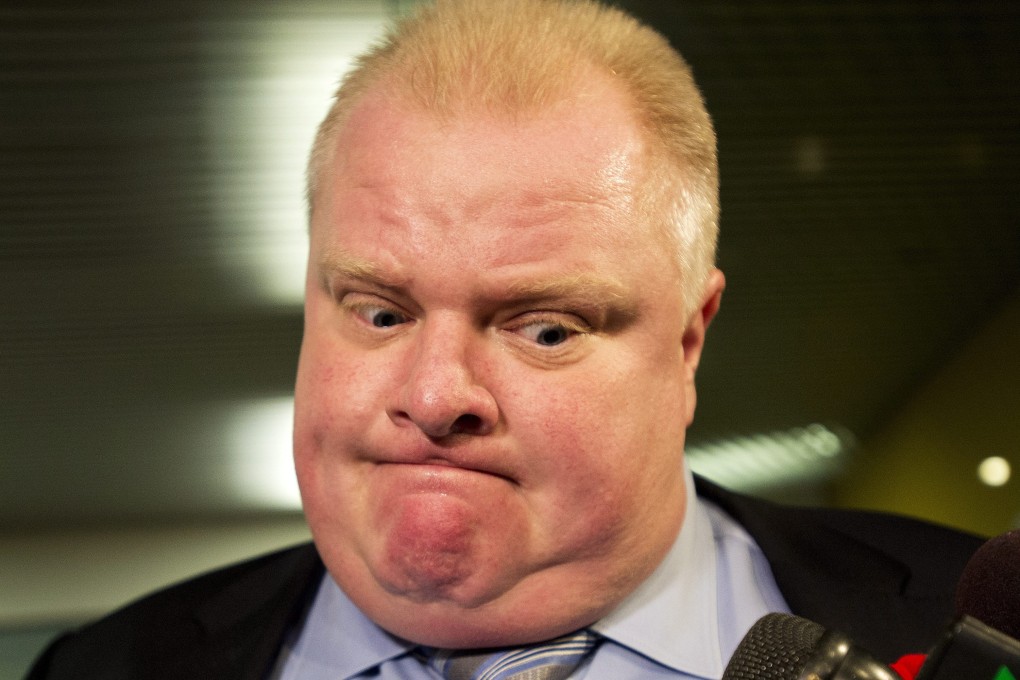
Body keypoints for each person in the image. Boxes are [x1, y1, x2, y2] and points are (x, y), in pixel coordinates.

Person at [27, 1, 982, 678]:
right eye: (380, 313)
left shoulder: (971, 620)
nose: (437, 396)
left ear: (689, 343)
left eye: (545, 328)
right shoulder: (102, 665)